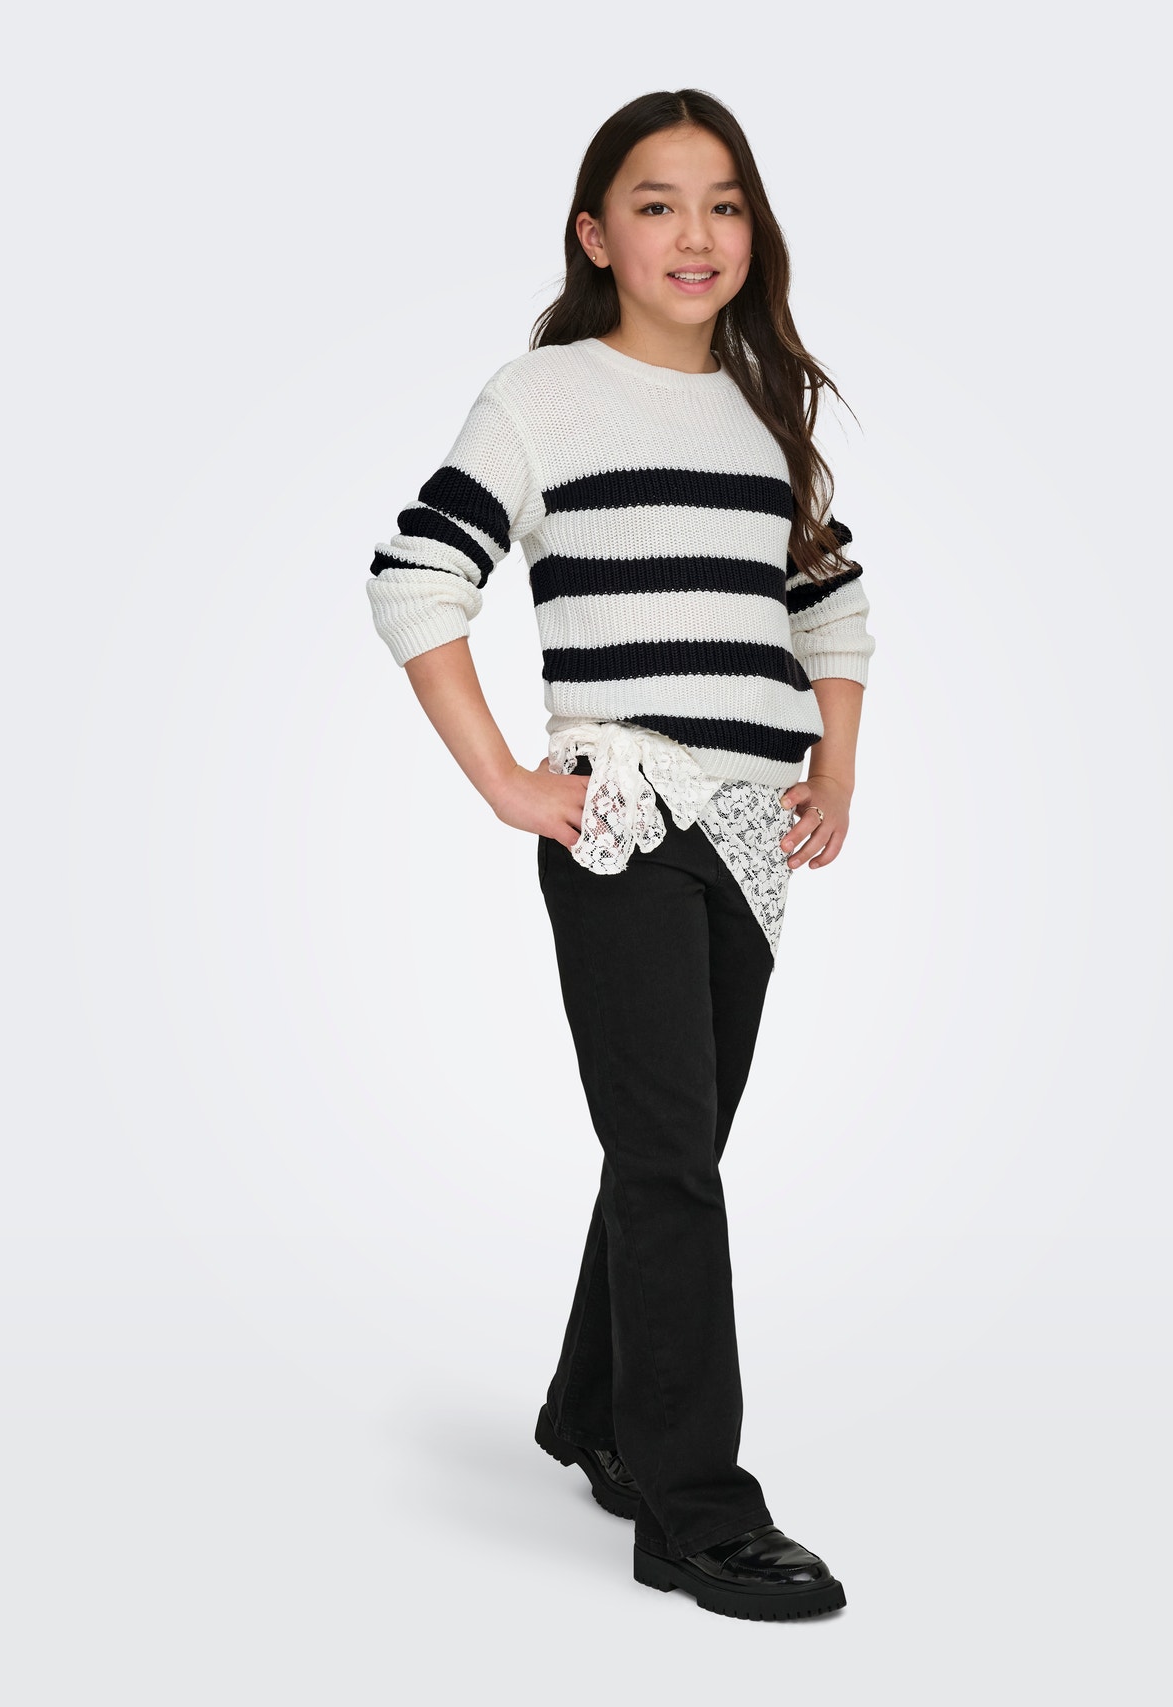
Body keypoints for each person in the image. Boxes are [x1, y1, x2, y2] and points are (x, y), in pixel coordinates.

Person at [365, 88, 875, 1622]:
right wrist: (505, 782)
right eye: (657, 203)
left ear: (753, 233)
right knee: (671, 1164)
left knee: (674, 1148)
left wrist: (837, 765)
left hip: (752, 835)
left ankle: (591, 1410)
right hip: (624, 820)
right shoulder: (541, 398)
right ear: (596, 236)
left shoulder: (764, 416)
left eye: (723, 204)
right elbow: (415, 578)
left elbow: (831, 605)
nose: (694, 233)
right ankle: (695, 1511)